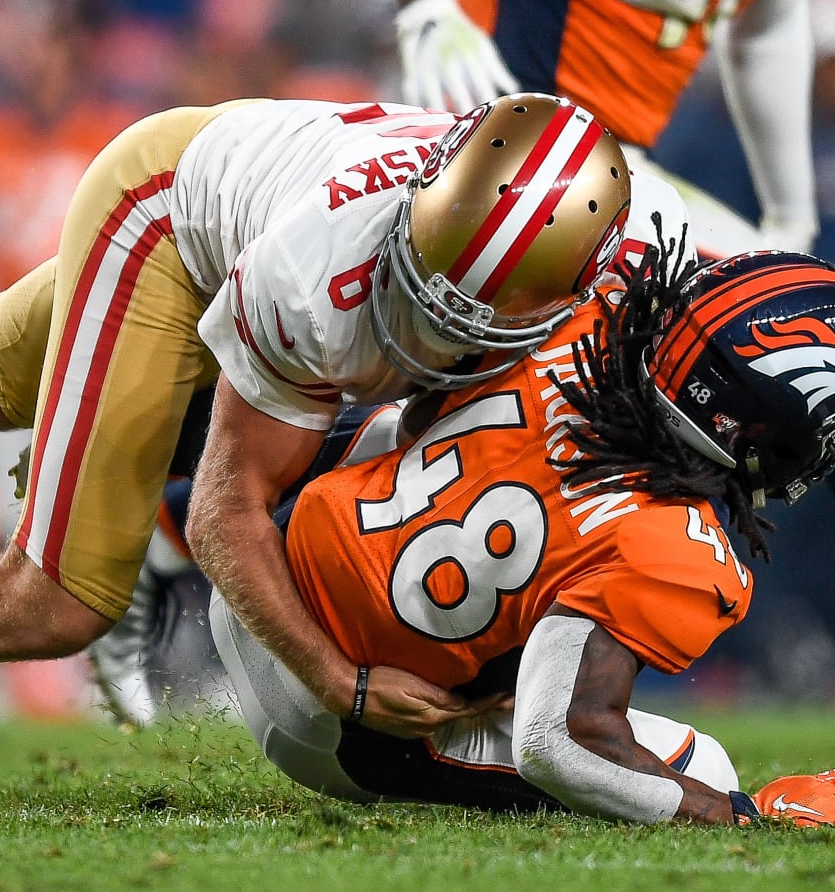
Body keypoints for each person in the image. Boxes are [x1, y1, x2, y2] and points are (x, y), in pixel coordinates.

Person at [0, 91, 691, 799]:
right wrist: (341, 680)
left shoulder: (597, 294)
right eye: (426, 273)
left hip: (233, 181)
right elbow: (225, 514)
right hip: (173, 223)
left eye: (468, 309)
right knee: (57, 594)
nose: (428, 312)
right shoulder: (320, 276)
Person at [210, 246, 835, 825]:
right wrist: (737, 814)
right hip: (337, 725)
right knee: (703, 766)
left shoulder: (588, 317)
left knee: (404, 431)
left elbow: (426, 415)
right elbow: (560, 741)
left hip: (262, 576)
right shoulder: (679, 552)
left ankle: (171, 532)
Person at [392, 0, 819, 259]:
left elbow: (768, 31)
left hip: (617, 167)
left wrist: (792, 217)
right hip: (499, 125)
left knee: (770, 296)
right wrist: (427, 4)